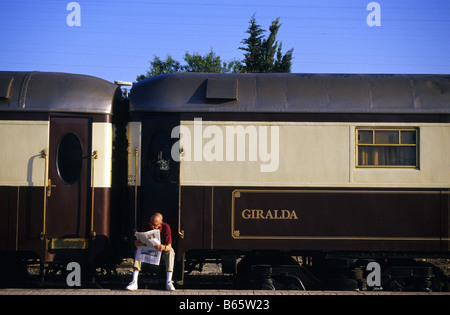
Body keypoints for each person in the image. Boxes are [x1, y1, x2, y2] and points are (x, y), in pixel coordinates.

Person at [126, 212, 176, 291]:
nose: (152, 227)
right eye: (151, 224)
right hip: (148, 250)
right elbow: (140, 242)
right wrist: (137, 244)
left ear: (160, 224)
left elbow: (169, 246)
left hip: (160, 251)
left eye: (155, 225)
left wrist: (163, 247)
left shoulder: (166, 227)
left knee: (170, 252)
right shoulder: (146, 226)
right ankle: (134, 281)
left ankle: (169, 281)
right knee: (138, 251)